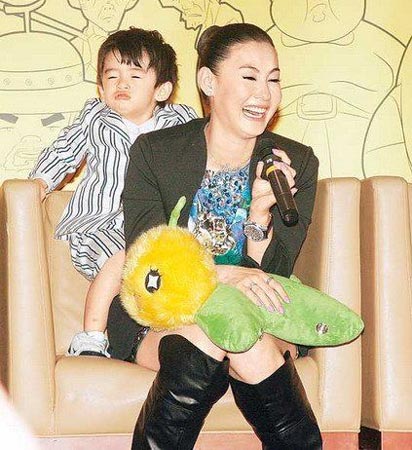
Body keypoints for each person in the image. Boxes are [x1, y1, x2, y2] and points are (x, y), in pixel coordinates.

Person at [108, 23, 322, 449]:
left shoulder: (294, 162)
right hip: (166, 312)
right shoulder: (155, 152)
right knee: (211, 336)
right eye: (249, 77)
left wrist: (259, 216)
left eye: (273, 79)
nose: (264, 93)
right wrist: (222, 276)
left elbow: (275, 273)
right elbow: (148, 257)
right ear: (209, 82)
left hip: (256, 312)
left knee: (241, 335)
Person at [29, 27, 197, 357]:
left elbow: (206, 158)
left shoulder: (180, 123)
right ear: (101, 89)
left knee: (173, 267)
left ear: (162, 89)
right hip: (99, 225)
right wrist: (40, 182)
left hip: (156, 228)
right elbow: (64, 150)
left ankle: (165, 335)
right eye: (112, 76)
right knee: (124, 256)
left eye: (135, 75)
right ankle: (91, 335)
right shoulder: (95, 118)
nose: (122, 83)